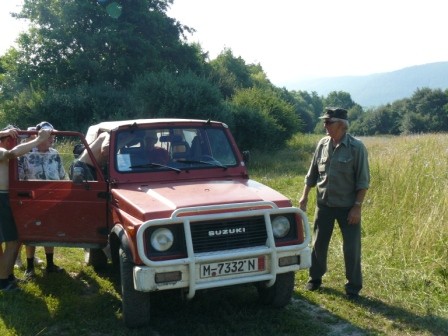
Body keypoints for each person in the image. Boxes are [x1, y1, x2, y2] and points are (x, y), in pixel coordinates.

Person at [298, 107, 370, 299]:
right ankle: (315, 278)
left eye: (329, 122)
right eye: (324, 122)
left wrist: (357, 207)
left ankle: (353, 287)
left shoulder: (357, 147)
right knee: (318, 244)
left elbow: (363, 181)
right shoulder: (322, 144)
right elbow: (312, 174)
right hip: (324, 205)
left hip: (348, 207)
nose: (325, 125)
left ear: (341, 125)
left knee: (352, 247)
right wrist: (304, 196)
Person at [0, 125, 52, 291]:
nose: (13, 142)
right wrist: (38, 140)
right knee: (12, 241)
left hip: (8, 197)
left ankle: (8, 276)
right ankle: (3, 282)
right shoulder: (2, 151)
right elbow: (12, 153)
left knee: (15, 241)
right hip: (1, 198)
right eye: (10, 138)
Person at [19, 121, 66, 279]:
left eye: (53, 135)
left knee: (49, 231)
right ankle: (30, 266)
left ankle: (50, 264)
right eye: (49, 135)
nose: (52, 138)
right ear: (40, 136)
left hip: (52, 200)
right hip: (31, 200)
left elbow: (62, 176)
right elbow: (19, 178)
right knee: (31, 233)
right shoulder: (26, 155)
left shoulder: (55, 154)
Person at [14, 126, 44, 269]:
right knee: (18, 227)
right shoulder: (21, 151)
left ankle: (32, 256)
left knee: (33, 226)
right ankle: (16, 258)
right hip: (20, 193)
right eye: (31, 135)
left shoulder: (40, 151)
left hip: (35, 194)